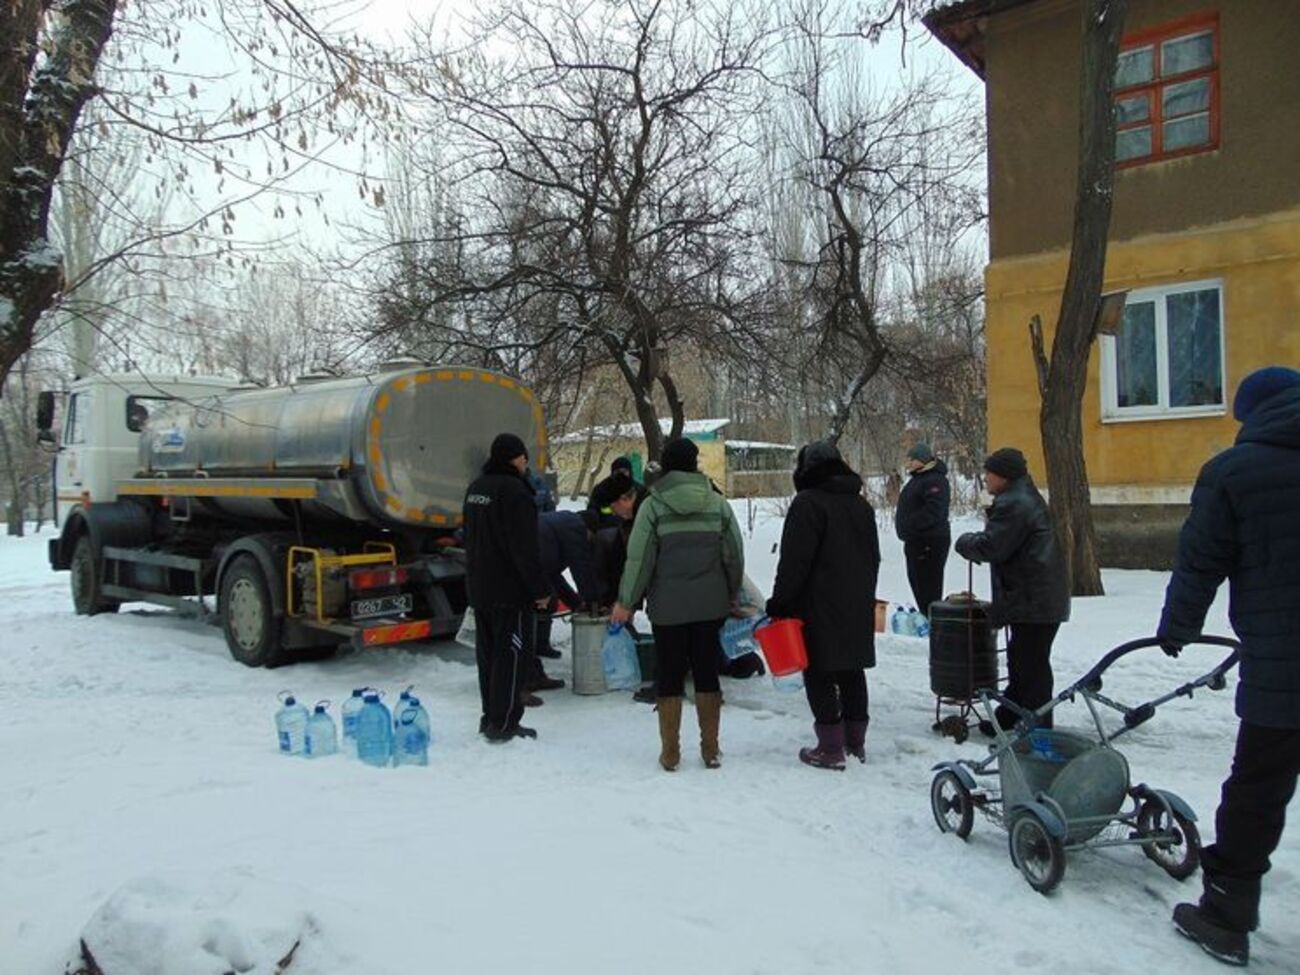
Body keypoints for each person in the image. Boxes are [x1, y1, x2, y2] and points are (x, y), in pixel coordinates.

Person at [1156, 366, 1300, 967]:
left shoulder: (1234, 472)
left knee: (1257, 790)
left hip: (1284, 667)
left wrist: (1178, 627)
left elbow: (1200, 561)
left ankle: (1225, 915)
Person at [612, 437, 744, 771]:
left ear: (666, 466)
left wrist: (626, 601)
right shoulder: (717, 504)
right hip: (710, 605)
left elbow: (639, 560)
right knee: (706, 670)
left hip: (667, 608)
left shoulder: (652, 506)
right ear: (694, 463)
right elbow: (733, 554)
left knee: (670, 672)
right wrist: (731, 593)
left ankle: (670, 752)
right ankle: (711, 749)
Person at [765, 441, 880, 769]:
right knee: (852, 669)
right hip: (857, 598)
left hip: (816, 602)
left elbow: (794, 561)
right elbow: (873, 556)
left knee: (819, 671)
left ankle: (830, 748)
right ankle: (855, 744)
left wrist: (780, 602)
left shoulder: (807, 503)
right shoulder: (861, 505)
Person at [955, 447, 1070, 731]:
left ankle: (1039, 729)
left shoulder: (1015, 503)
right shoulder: (1022, 497)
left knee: (1031, 666)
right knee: (1022, 661)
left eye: (989, 473)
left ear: (1003, 476)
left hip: (1033, 599)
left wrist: (965, 542)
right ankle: (1008, 718)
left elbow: (993, 546)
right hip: (1038, 597)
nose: (986, 478)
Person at [463, 433, 551, 743]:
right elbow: (525, 549)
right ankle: (504, 723)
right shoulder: (515, 492)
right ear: (515, 457)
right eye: (524, 456)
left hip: (480, 587)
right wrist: (540, 590)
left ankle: (490, 716)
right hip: (509, 591)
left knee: (488, 657)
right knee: (511, 657)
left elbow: (469, 537)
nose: (526, 462)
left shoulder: (476, 488)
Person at [894, 442, 951, 618]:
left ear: (922, 460)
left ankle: (932, 621)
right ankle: (927, 618)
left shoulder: (934, 480)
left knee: (928, 587)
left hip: (929, 542)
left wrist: (910, 525)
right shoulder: (920, 479)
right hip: (916, 542)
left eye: (912, 459)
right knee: (919, 585)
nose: (908, 463)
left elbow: (934, 510)